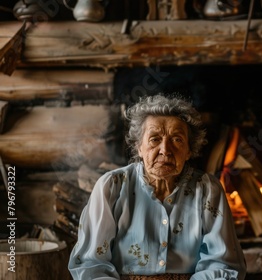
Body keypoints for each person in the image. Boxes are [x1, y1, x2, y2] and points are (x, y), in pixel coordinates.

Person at [68, 94, 247, 280]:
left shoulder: (207, 190)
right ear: (139, 147)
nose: (165, 150)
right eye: (154, 139)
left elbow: (222, 263)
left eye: (177, 140)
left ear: (189, 151)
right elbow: (91, 264)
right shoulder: (112, 187)